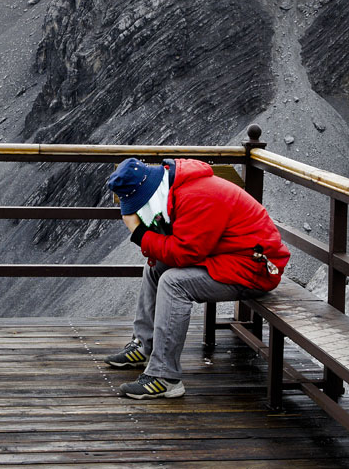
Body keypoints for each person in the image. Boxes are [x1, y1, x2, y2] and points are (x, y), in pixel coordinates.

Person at [104, 157, 290, 399]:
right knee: (155, 268)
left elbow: (185, 253)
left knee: (173, 283)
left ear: (149, 190)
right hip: (229, 256)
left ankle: (165, 377)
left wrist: (140, 233)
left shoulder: (196, 197)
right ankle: (144, 344)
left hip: (253, 270)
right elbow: (182, 248)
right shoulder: (176, 187)